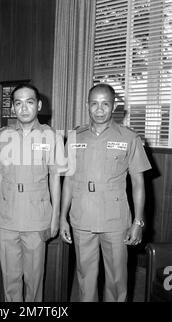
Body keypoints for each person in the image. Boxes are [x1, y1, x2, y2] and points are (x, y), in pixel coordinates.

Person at [60, 83, 151, 302]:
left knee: (117, 280)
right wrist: (62, 217)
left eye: (105, 104)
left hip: (115, 220)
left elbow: (138, 183)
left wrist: (138, 222)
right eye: (94, 104)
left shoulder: (129, 138)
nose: (99, 110)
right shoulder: (74, 137)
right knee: (84, 278)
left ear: (114, 107)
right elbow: (69, 181)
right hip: (82, 217)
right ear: (87, 105)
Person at [0, 84, 65, 302]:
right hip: (7, 216)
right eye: (18, 103)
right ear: (13, 107)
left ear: (38, 105)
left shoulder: (51, 136)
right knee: (10, 279)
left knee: (34, 279)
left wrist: (55, 218)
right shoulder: (2, 136)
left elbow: (55, 180)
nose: (24, 108)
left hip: (36, 218)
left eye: (29, 102)